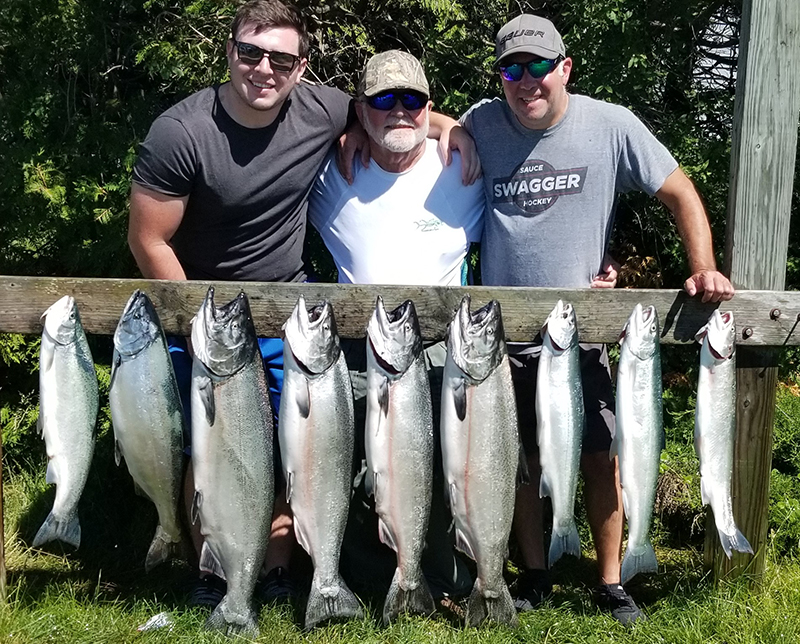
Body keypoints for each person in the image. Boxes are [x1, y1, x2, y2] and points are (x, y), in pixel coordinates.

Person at [127, 0, 477, 608]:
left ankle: (281, 571)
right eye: (251, 53)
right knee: (204, 447)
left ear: (301, 66)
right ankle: (210, 572)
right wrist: (194, 316)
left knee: (293, 444)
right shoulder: (181, 132)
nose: (264, 69)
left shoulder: (321, 108)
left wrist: (454, 128)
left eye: (281, 58)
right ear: (229, 51)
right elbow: (147, 238)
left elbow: (392, 108)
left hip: (290, 313)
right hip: (206, 310)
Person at [460, 14, 735, 626]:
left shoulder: (610, 124)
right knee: (522, 458)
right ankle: (535, 570)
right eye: (511, 68)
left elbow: (680, 191)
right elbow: (419, 123)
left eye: (538, 66)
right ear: (500, 76)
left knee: (601, 452)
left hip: (584, 335)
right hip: (501, 338)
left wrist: (704, 267)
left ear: (564, 68)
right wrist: (439, 130)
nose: (525, 80)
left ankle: (612, 580)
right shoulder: (480, 122)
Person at [308, 50, 484, 602]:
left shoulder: (463, 165)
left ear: (429, 105)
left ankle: (441, 576)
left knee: (440, 470)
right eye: (384, 100)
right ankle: (357, 578)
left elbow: (536, 215)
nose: (399, 112)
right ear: (361, 111)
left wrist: (599, 269)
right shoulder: (330, 174)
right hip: (356, 354)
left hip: (445, 355)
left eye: (412, 100)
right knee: (353, 472)